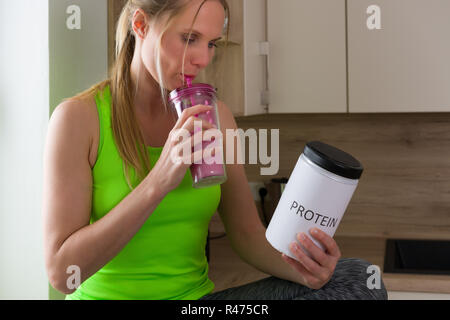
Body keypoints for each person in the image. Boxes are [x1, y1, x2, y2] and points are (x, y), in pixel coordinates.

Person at [42, 0, 388, 300]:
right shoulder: (78, 119)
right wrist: (158, 181)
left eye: (212, 44)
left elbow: (248, 235)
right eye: (189, 38)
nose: (201, 59)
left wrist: (305, 270)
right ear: (141, 25)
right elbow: (62, 274)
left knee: (358, 279)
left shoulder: (215, 116)